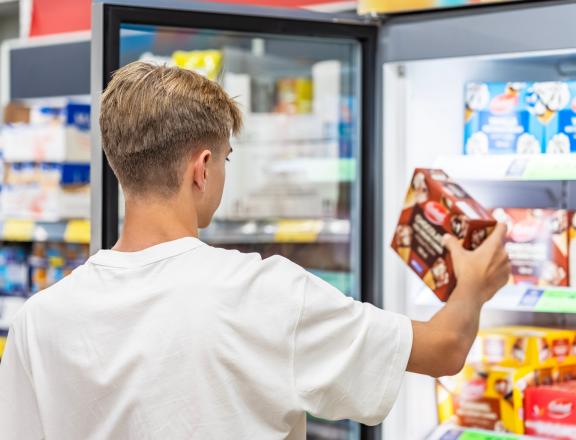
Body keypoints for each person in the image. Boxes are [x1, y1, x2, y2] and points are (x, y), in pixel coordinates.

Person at [0, 62, 510, 440]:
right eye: (225, 157)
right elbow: (443, 349)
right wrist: (475, 284)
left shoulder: (39, 319)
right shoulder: (262, 292)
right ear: (201, 168)